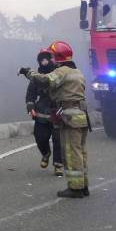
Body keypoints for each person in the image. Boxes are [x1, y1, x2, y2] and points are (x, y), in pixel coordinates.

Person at [19, 40, 90, 199]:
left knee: (71, 153)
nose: (50, 61)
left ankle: (75, 188)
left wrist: (28, 72)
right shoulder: (77, 71)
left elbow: (45, 80)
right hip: (81, 115)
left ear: (57, 57)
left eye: (52, 57)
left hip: (70, 116)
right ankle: (83, 185)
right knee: (80, 151)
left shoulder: (63, 71)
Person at [26, 47, 65, 176]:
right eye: (41, 59)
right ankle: (46, 153)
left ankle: (58, 165)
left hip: (58, 112)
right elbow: (30, 94)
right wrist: (31, 108)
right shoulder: (36, 77)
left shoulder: (59, 74)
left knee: (58, 140)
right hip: (41, 114)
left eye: (46, 58)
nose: (44, 62)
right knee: (40, 138)